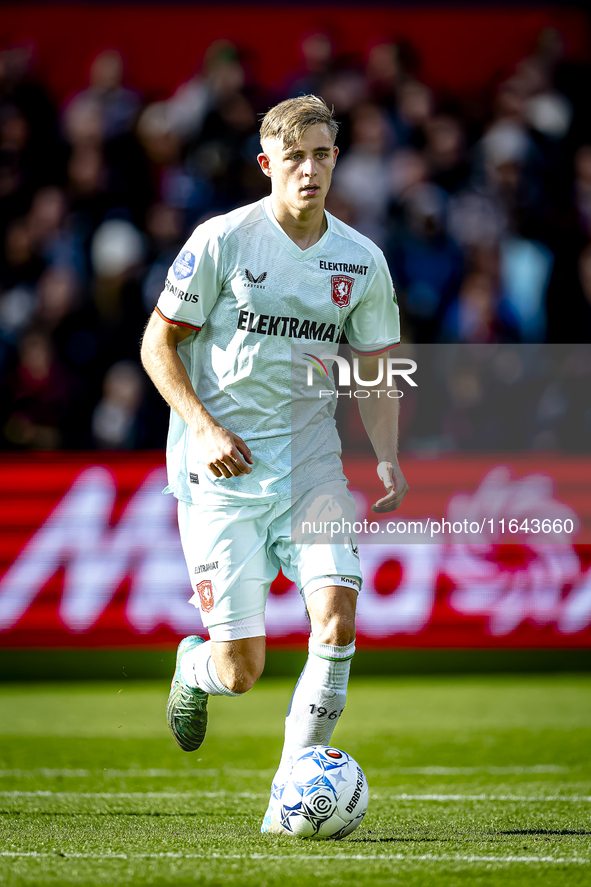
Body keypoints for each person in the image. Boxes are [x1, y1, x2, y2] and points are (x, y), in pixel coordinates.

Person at [140, 94, 408, 834]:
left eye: (322, 154)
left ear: (334, 161)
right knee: (240, 670)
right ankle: (194, 667)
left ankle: (286, 794)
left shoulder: (359, 260)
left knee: (336, 614)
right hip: (220, 471)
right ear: (267, 165)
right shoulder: (223, 240)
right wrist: (202, 425)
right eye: (294, 156)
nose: (309, 169)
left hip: (312, 463)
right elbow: (156, 345)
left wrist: (385, 457)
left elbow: (376, 368)